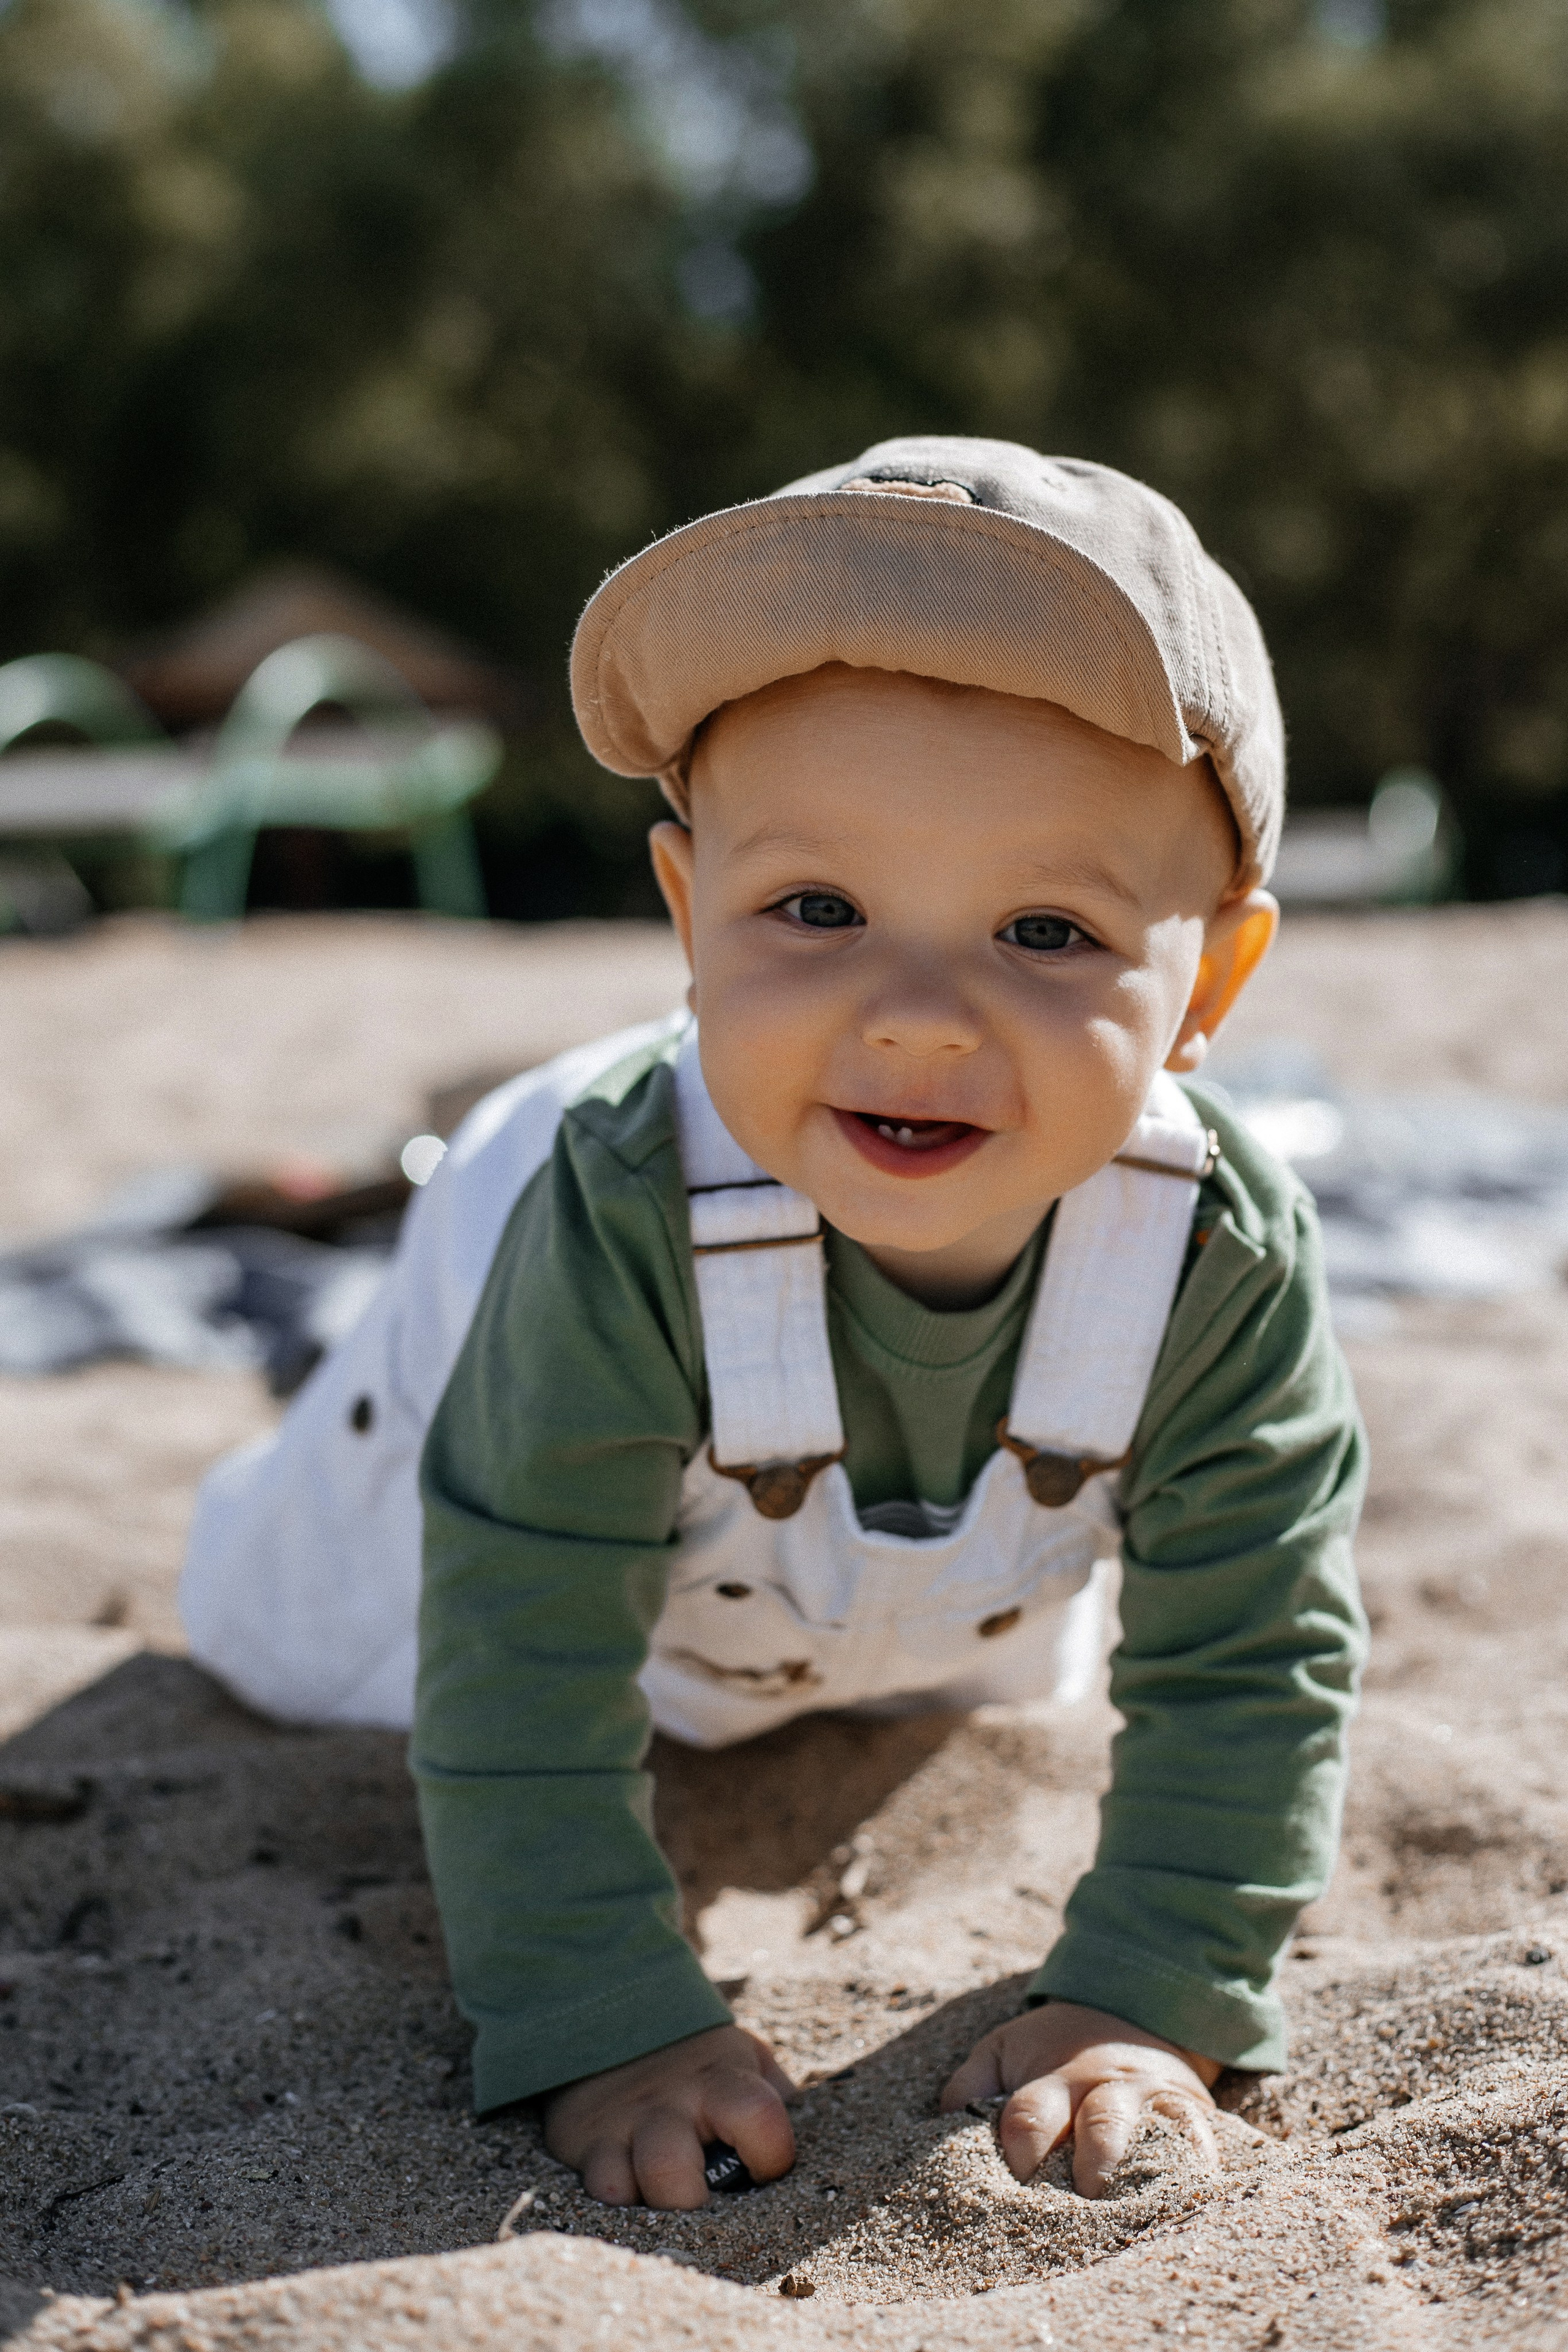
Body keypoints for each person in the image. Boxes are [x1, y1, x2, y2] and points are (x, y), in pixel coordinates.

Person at [181, 435, 1365, 2212]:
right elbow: (516, 1646)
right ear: (685, 914)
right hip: (489, 1389)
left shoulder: (1214, 1255)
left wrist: (1153, 1995)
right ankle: (369, 1237)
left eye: (1044, 929)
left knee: (979, 1650)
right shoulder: (616, 1219)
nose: (912, 1016)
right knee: (290, 1642)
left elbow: (1252, 1653)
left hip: (869, 1577)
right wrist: (602, 2017)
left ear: (1207, 985)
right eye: (813, 909)